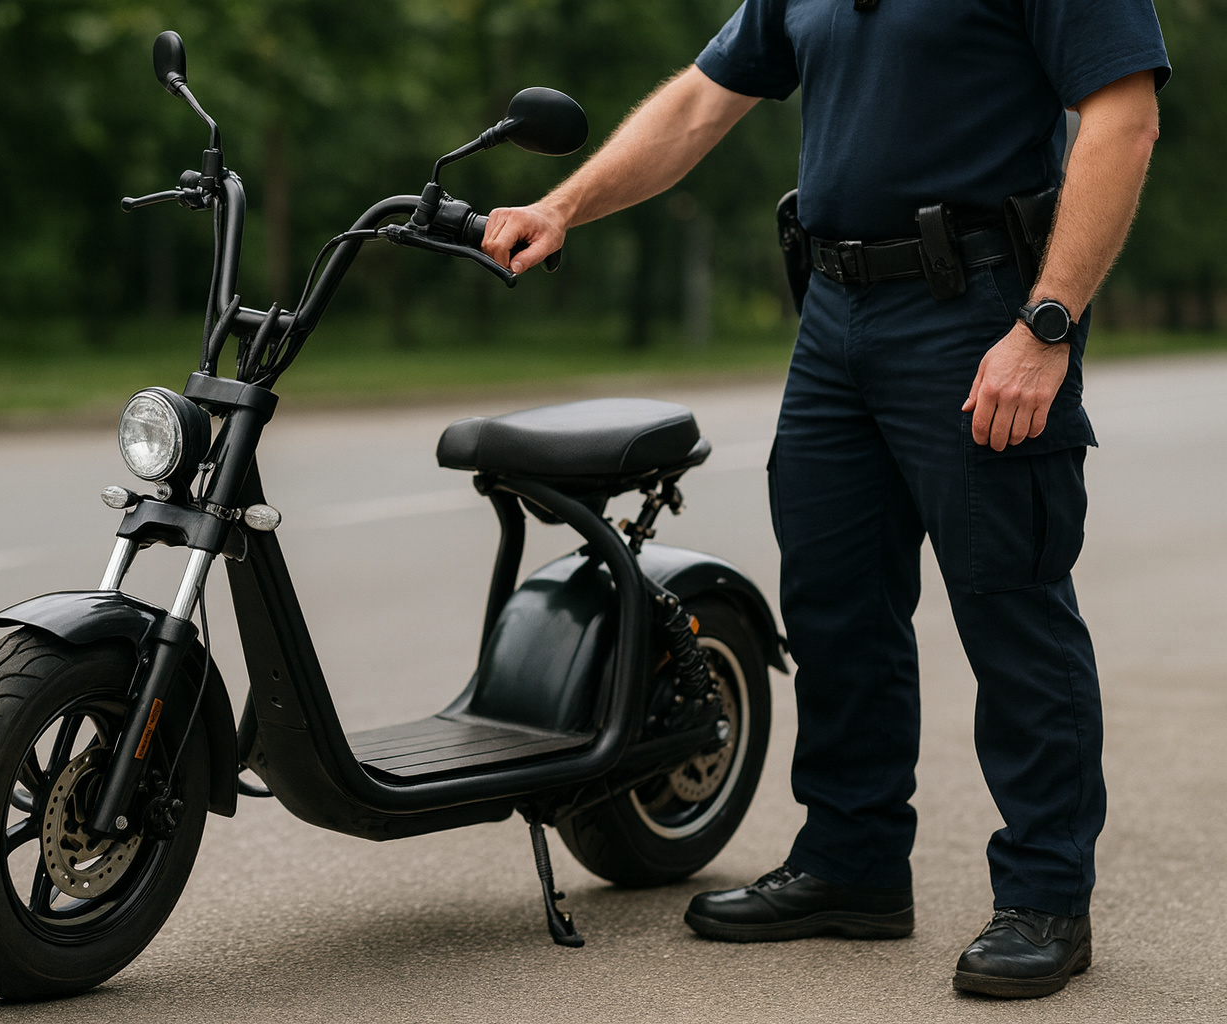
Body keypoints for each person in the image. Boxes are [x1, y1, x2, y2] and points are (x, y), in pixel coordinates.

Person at [482, 0, 1169, 1000]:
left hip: (980, 311)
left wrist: (1049, 325)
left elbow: (1121, 119)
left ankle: (1046, 896)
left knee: (1011, 603)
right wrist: (565, 206)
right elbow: (697, 104)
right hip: (836, 315)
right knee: (835, 598)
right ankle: (853, 860)